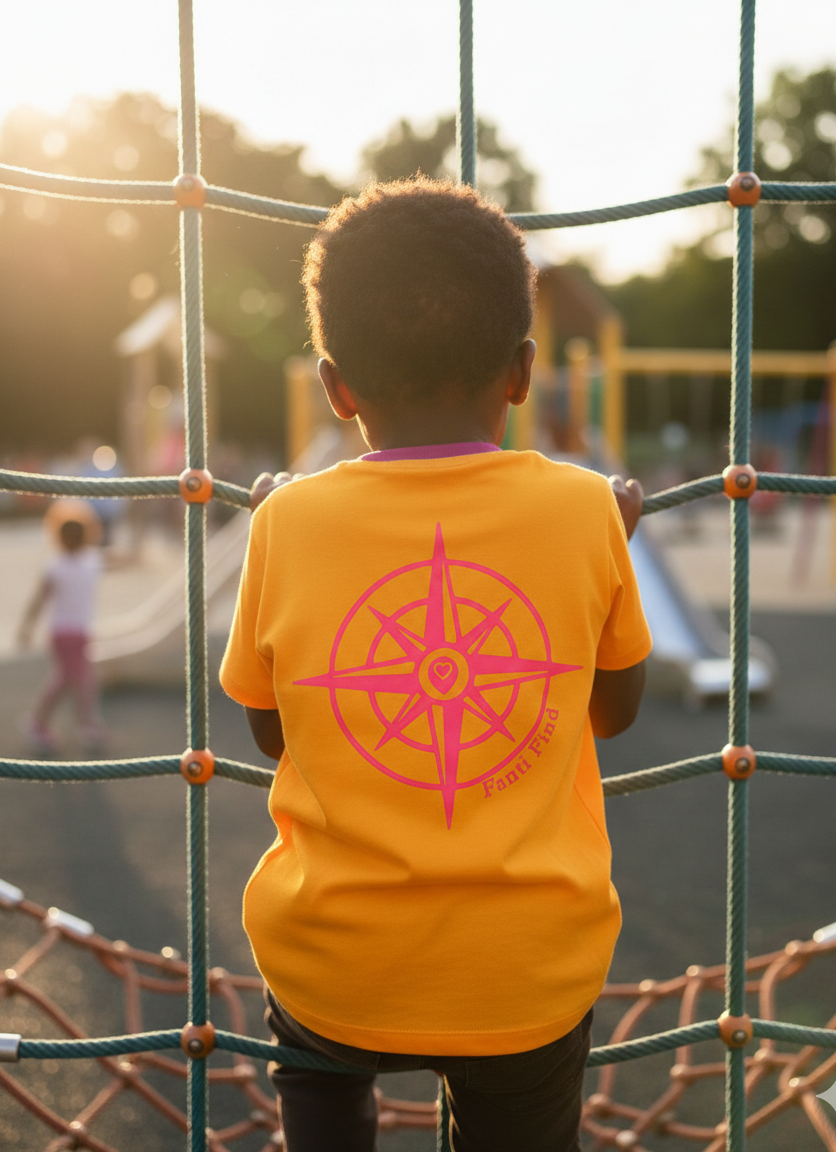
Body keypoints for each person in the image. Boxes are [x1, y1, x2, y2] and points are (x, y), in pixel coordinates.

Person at [220, 178, 651, 1152]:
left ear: (335, 387)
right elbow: (613, 712)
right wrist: (607, 547)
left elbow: (272, 731)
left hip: (332, 961)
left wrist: (277, 525)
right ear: (522, 371)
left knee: (320, 1084)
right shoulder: (586, 509)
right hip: (526, 971)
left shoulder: (284, 520)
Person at [17, 503, 105, 755]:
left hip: (77, 631)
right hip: (64, 632)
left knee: (68, 679)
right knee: (79, 679)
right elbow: (39, 598)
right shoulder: (58, 566)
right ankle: (81, 724)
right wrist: (26, 626)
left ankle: (49, 722)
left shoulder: (89, 561)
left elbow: (38, 598)